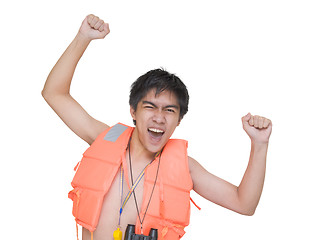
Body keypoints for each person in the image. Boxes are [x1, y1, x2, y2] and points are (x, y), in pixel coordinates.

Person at [42, 14, 272, 240]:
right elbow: (54, 93)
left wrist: (259, 145)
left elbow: (244, 203)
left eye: (169, 110)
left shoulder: (185, 167)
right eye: (150, 107)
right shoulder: (105, 138)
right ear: (133, 111)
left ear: (179, 119)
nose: (159, 118)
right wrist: (83, 37)